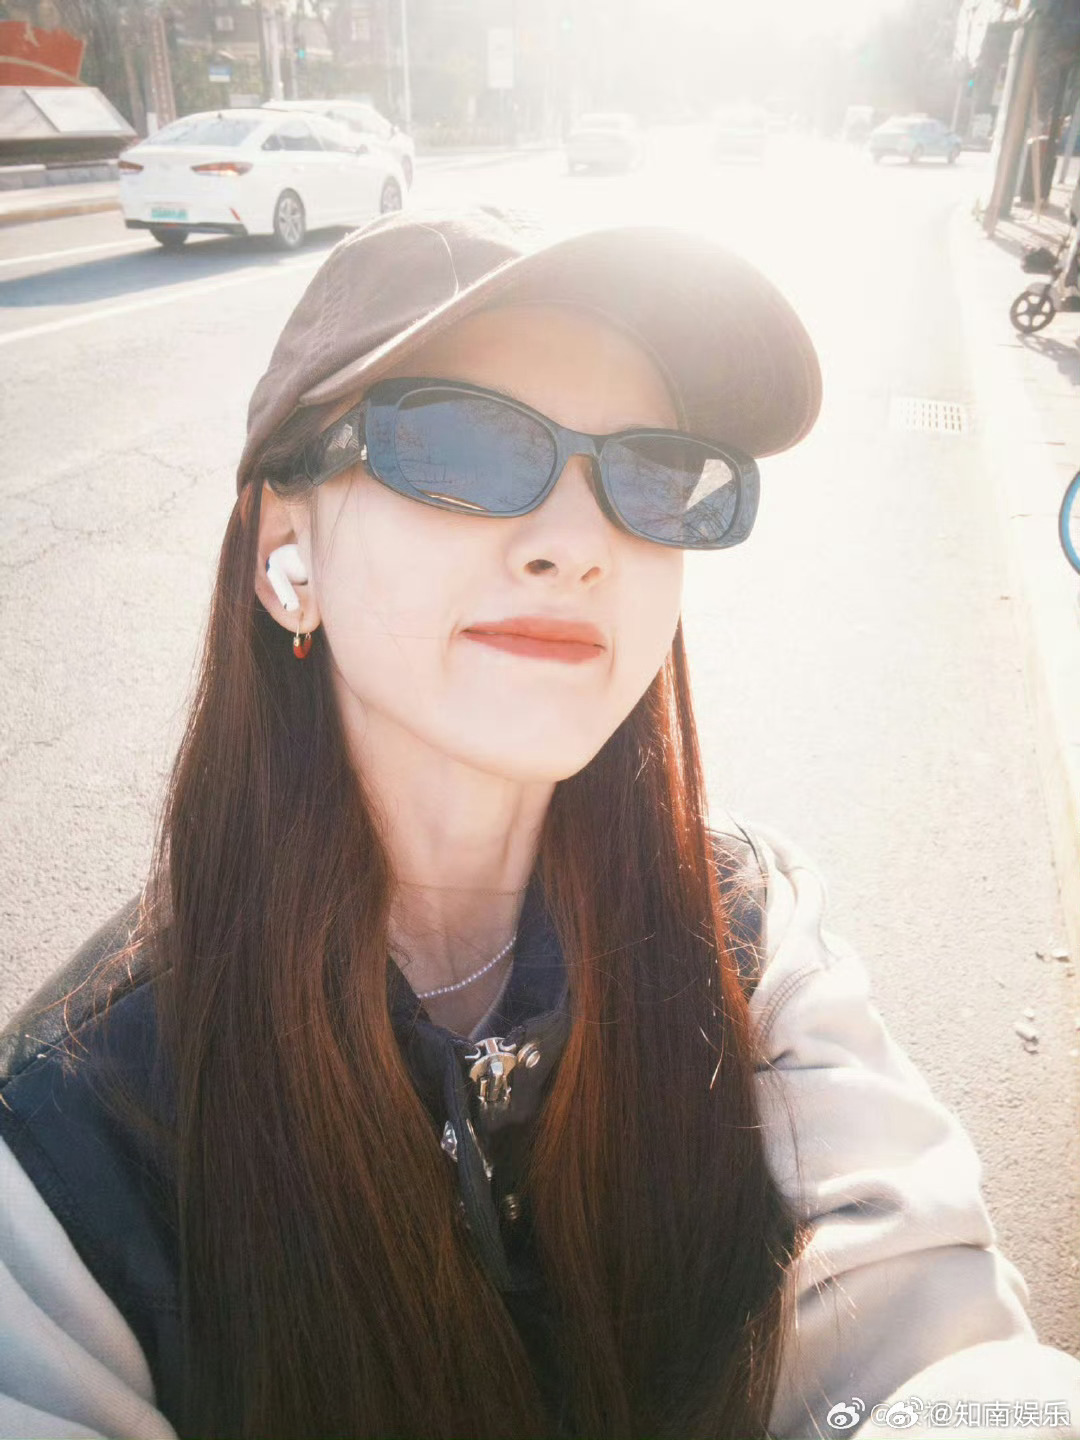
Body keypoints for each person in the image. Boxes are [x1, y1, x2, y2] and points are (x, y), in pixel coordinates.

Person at [0, 206, 1077, 1440]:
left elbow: (933, 1353)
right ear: (285, 545)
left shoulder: (752, 944)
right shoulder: (74, 1141)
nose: (577, 545)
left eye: (653, 473)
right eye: (461, 445)